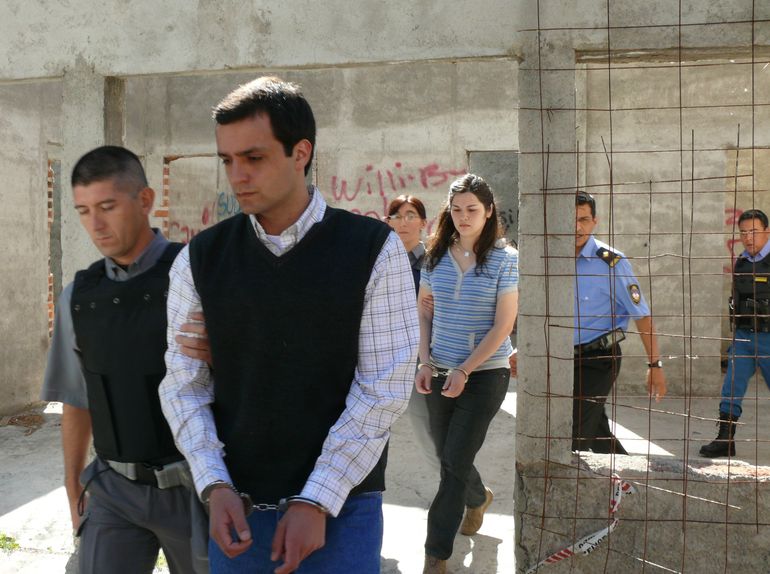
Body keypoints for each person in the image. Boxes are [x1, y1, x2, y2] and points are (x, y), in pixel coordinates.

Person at [158, 76, 419, 574]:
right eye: (227, 160)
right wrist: (213, 483)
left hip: (344, 507)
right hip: (238, 508)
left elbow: (384, 388)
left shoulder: (372, 249)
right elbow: (183, 386)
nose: (237, 175)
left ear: (301, 153)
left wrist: (317, 498)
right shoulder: (200, 259)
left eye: (253, 158)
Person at [41, 146, 208, 574]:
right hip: (113, 489)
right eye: (83, 211)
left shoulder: (198, 276)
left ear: (145, 200)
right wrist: (72, 483)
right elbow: (77, 399)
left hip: (195, 488)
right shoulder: (79, 297)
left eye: (107, 207)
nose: (95, 225)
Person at [414, 174, 518, 574]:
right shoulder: (434, 256)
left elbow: (503, 325)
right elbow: (425, 312)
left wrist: (465, 369)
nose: (464, 217)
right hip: (439, 370)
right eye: (456, 209)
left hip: (485, 375)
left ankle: (435, 554)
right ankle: (478, 498)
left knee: (454, 462)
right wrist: (426, 361)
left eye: (472, 209)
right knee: (448, 456)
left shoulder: (505, 260)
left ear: (489, 211)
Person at [573, 190, 667, 454]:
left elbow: (642, 315)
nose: (576, 227)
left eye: (583, 219)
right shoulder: (551, 259)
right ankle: (624, 473)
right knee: (595, 431)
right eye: (570, 220)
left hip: (598, 359)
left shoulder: (612, 263)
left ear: (595, 221)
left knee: (572, 436)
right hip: (562, 359)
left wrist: (655, 365)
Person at [700, 209, 770, 457]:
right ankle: (725, 439)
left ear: (767, 232)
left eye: (754, 232)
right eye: (743, 232)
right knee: (731, 386)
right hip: (744, 336)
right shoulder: (742, 261)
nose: (748, 237)